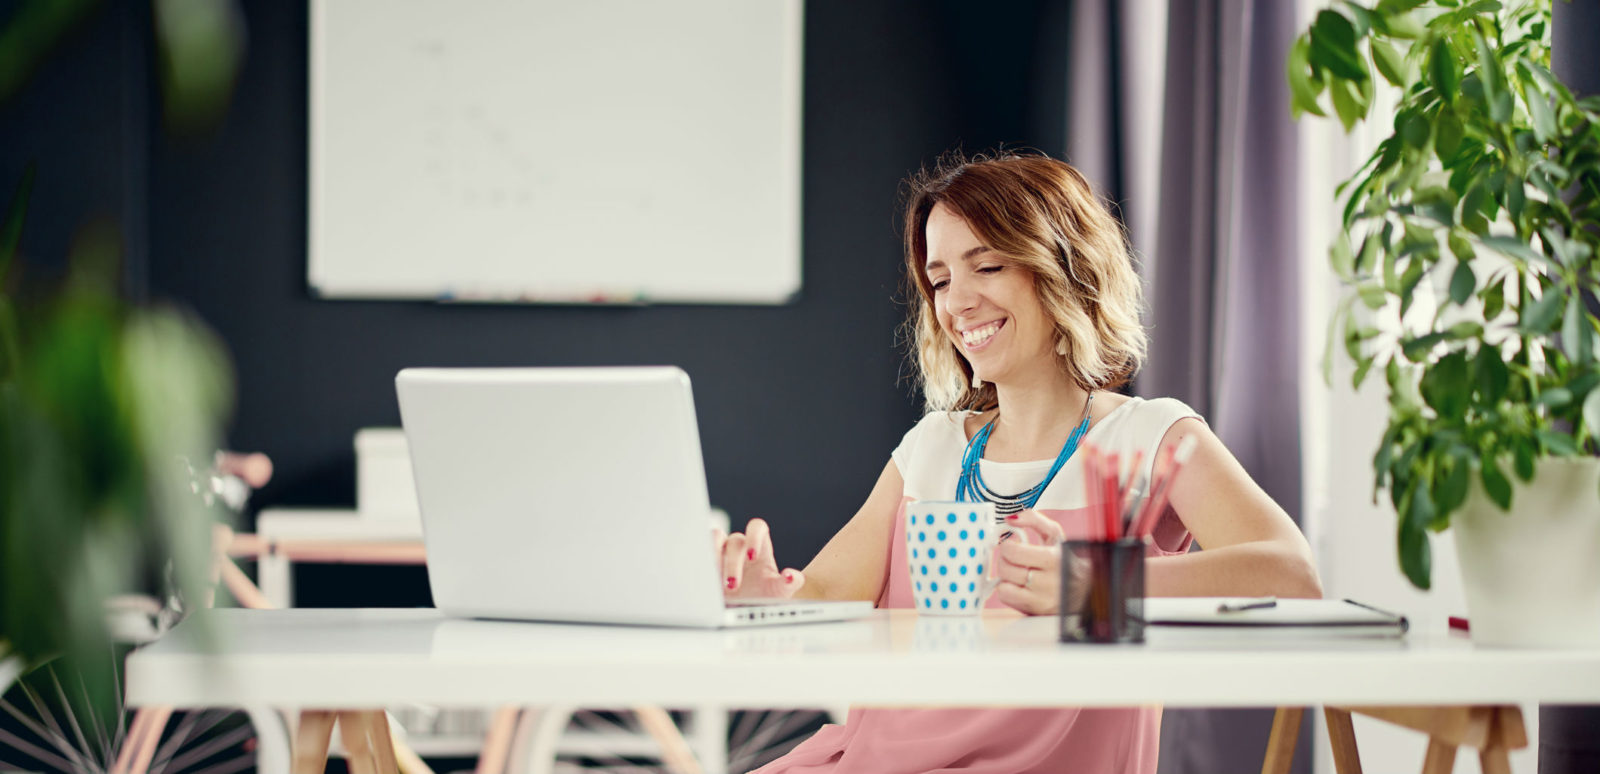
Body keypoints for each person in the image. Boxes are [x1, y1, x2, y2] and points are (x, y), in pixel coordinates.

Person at [716, 151, 1321, 774]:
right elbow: (823, 593)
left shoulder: (1149, 436)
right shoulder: (932, 447)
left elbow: (1292, 576)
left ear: (1065, 268)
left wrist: (1097, 587)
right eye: (941, 280)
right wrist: (764, 599)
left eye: (988, 266)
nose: (957, 303)